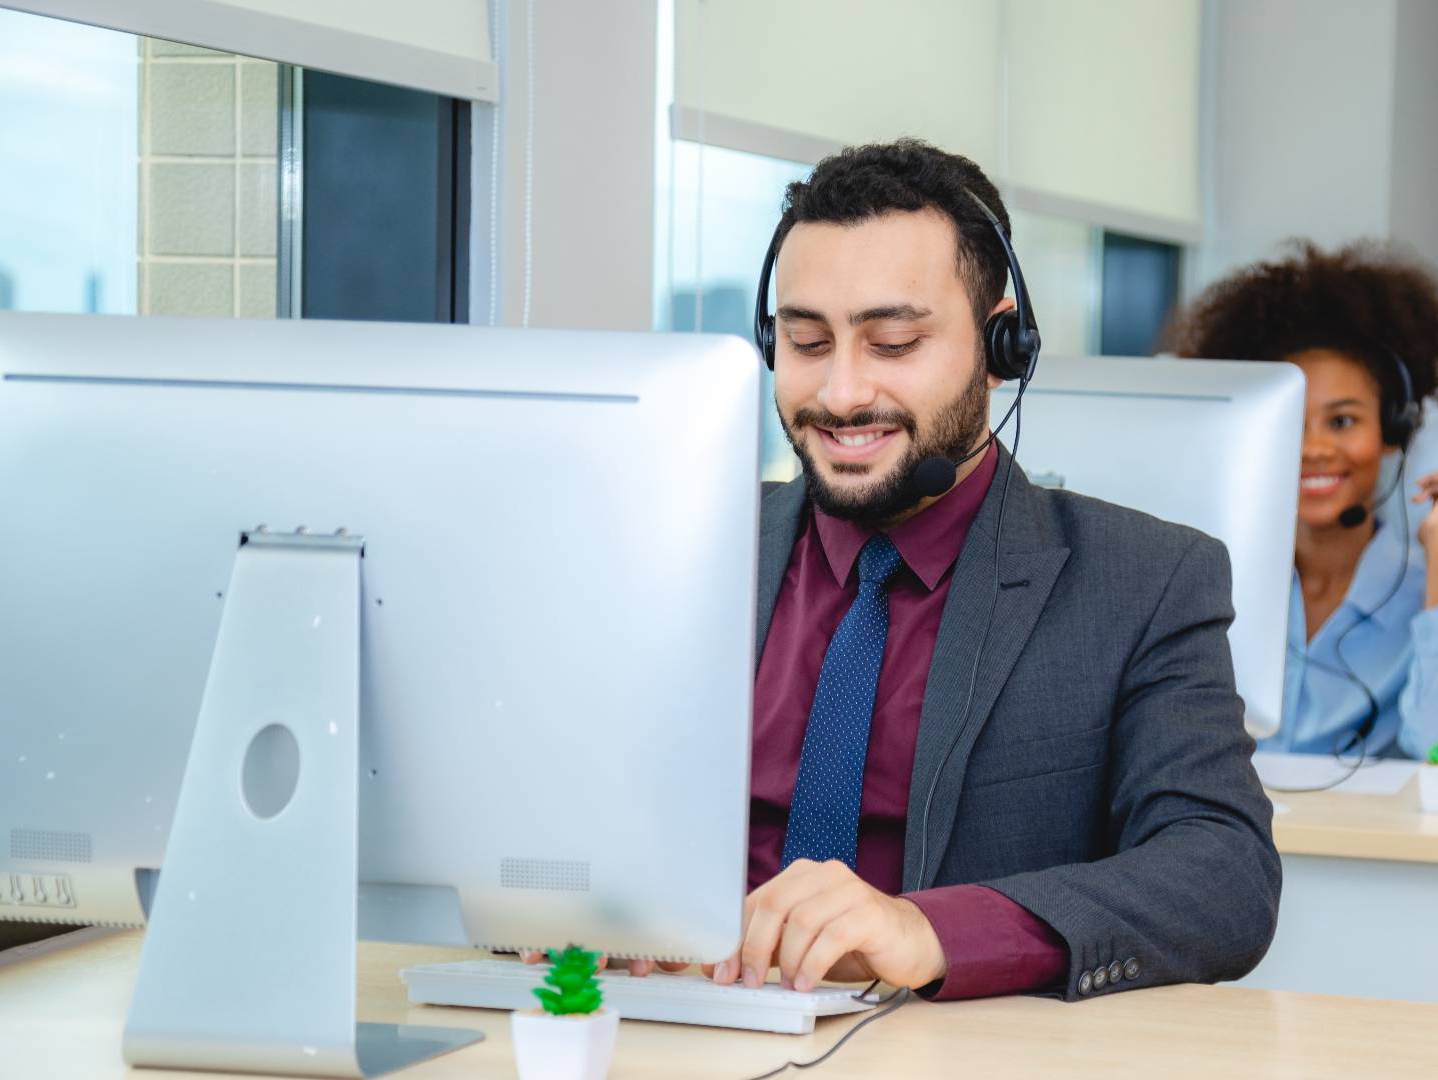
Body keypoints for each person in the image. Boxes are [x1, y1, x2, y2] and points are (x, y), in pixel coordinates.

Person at [531, 140, 1280, 1001]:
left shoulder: (1146, 581)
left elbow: (1224, 876)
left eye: (892, 343)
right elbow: (567, 803)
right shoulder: (674, 554)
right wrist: (564, 900)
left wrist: (929, 929)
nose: (843, 393)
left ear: (1002, 346)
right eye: (808, 341)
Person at [1165, 240, 1438, 762]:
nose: (1316, 449)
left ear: (1394, 431)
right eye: (1291, 425)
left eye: (1342, 421)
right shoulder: (1208, 583)